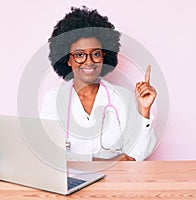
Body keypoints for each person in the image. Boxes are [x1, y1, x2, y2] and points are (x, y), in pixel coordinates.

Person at [40, 6, 157, 161]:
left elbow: (136, 155)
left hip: (115, 183)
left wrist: (144, 110)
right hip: (71, 182)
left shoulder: (121, 97)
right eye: (80, 55)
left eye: (96, 54)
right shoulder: (53, 100)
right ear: (67, 59)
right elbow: (50, 154)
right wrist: (106, 163)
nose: (89, 61)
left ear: (104, 56)